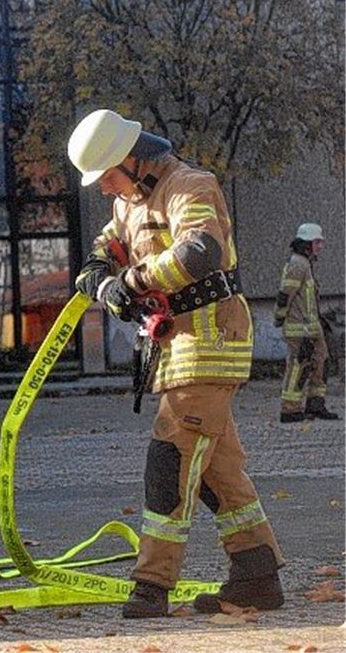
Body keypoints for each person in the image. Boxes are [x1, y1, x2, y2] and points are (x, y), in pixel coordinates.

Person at [69, 109, 284, 618]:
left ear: (132, 159)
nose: (104, 189)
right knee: (216, 471)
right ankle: (257, 574)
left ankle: (152, 584)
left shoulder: (190, 186)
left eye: (107, 177)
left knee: (169, 462)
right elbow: (103, 251)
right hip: (179, 351)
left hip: (210, 343)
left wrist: (133, 282)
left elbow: (201, 250)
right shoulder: (129, 202)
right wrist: (101, 278)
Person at [275, 223, 338, 422]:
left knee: (321, 361)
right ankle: (290, 410)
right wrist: (279, 317)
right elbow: (285, 294)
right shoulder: (298, 264)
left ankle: (316, 404)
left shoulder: (306, 263)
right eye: (317, 242)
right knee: (299, 366)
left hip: (312, 327)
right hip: (299, 328)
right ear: (306, 243)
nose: (320, 246)